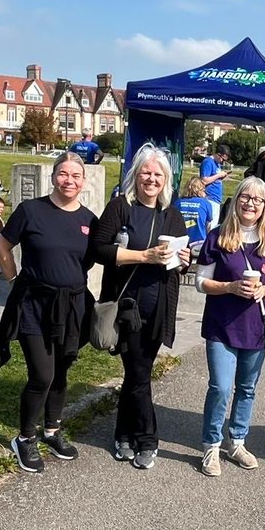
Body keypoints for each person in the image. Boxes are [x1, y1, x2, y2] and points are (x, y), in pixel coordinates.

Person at [0, 153, 96, 473]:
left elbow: (86, 262)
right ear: (53, 177)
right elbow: (0, 247)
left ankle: (52, 430)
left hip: (72, 307)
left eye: (76, 176)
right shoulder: (30, 211)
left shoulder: (90, 220)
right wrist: (13, 280)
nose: (70, 181)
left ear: (83, 181)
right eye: (64, 174)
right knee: (42, 374)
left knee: (62, 371)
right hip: (33, 305)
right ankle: (24, 438)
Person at [90, 144, 191, 469]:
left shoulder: (171, 215)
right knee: (138, 374)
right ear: (136, 174)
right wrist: (143, 256)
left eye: (157, 174)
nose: (151, 178)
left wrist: (184, 260)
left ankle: (122, 435)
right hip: (126, 309)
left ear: (166, 180)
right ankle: (147, 439)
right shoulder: (121, 207)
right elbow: (99, 250)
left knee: (138, 375)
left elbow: (179, 261)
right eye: (146, 172)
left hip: (158, 307)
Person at [194, 176, 265, 476]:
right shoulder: (218, 236)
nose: (251, 203)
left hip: (257, 326)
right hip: (221, 324)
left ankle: (238, 441)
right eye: (246, 196)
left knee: (247, 388)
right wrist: (230, 287)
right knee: (220, 386)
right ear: (236, 200)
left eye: (258, 200)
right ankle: (211, 445)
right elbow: (199, 282)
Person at [175, 176, 221, 248]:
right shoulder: (206, 203)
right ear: (201, 189)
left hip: (180, 241)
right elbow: (209, 225)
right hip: (199, 242)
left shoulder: (177, 203)